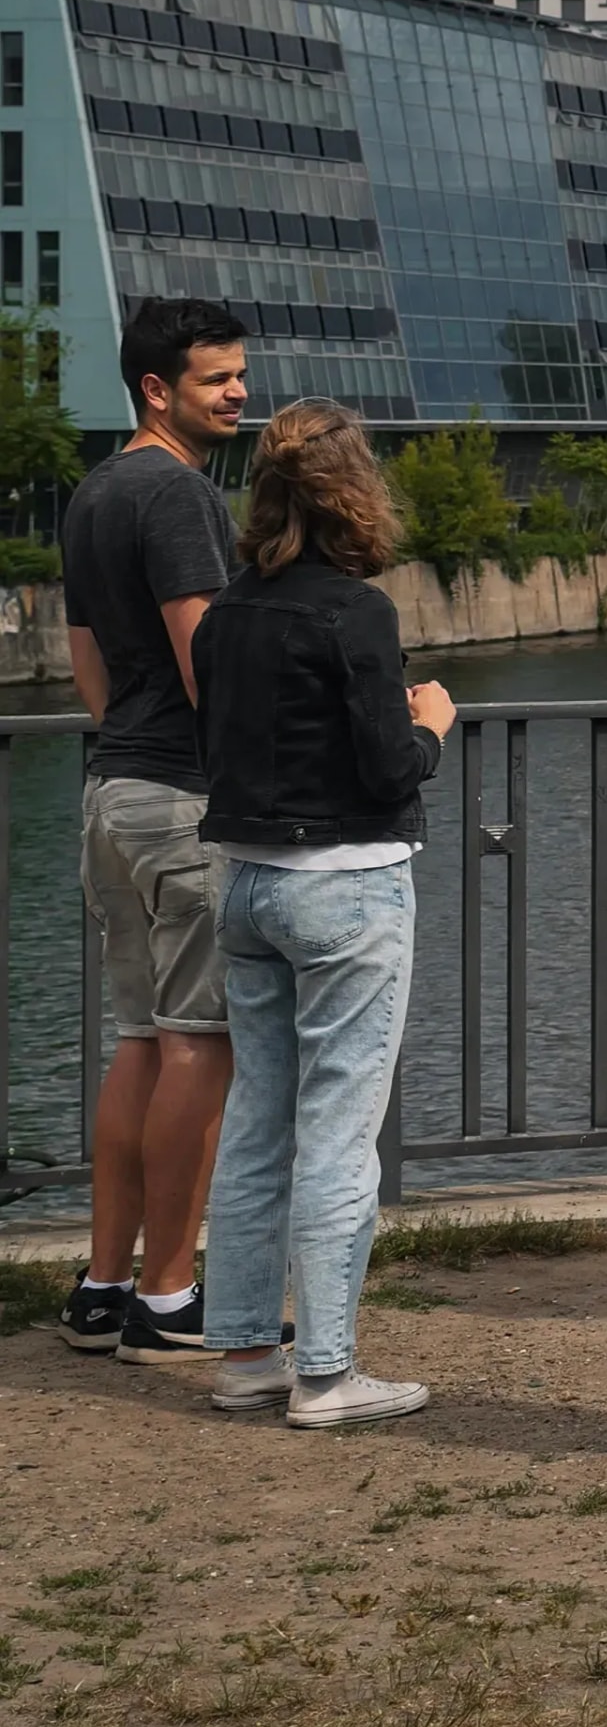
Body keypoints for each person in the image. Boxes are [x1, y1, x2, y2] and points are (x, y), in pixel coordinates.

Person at [191, 402, 455, 1429]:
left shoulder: (225, 612)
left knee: (259, 1125)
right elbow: (388, 764)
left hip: (247, 884)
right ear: (355, 489)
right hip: (347, 884)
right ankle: (329, 1373)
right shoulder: (357, 613)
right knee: (342, 1135)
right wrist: (429, 721)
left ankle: (247, 1356)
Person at [56, 297, 249, 1364]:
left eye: (239, 373)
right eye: (219, 378)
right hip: (183, 800)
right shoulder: (179, 497)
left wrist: (125, 739)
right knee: (197, 1047)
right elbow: (203, 662)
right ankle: (171, 1295)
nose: (239, 393)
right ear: (157, 390)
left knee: (137, 1042)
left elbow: (87, 658)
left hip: (111, 791)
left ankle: (103, 1283)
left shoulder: (93, 493)